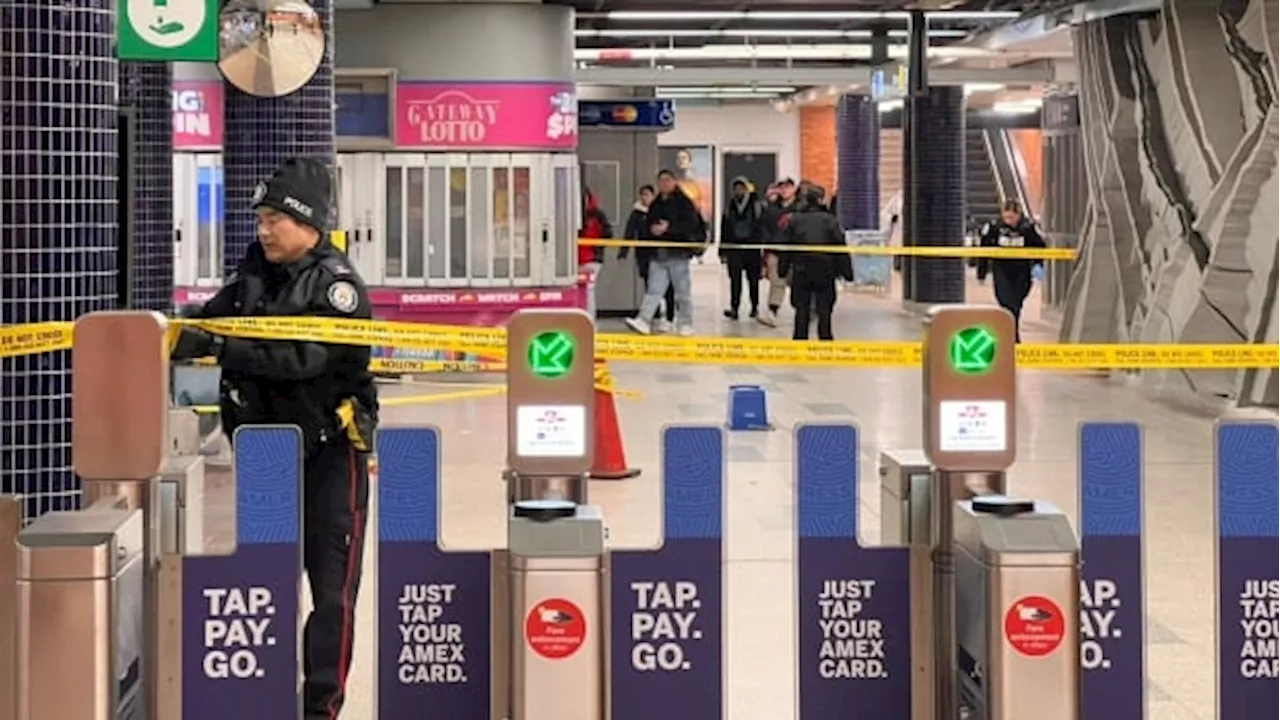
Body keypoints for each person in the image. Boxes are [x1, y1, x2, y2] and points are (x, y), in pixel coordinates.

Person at [169, 157, 378, 720]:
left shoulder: (338, 287)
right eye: (259, 218)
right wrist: (176, 332)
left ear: (308, 222)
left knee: (332, 594)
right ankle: (261, 695)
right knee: (265, 583)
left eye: (274, 218)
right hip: (266, 456)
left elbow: (305, 361)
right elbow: (212, 321)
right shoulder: (252, 276)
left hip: (332, 453)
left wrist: (222, 348)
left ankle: (320, 710)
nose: (263, 229)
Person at [625, 169, 703, 336]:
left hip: (678, 253)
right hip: (658, 254)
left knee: (682, 291)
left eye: (667, 180)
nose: (664, 183)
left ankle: (686, 323)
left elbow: (691, 225)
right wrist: (653, 229)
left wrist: (668, 228)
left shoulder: (684, 203)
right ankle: (644, 320)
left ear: (674, 182)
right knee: (654, 290)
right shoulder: (656, 204)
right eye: (660, 181)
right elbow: (649, 224)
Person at [777, 183, 852, 341]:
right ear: (820, 200)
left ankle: (800, 341)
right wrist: (847, 272)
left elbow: (786, 247)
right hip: (825, 270)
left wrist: (782, 269)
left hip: (801, 269)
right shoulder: (830, 220)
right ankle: (825, 340)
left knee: (801, 308)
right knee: (825, 309)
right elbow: (840, 246)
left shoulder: (795, 220)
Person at [976, 200, 1046, 342]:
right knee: (1006, 303)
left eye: (1012, 218)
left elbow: (1040, 246)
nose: (1009, 221)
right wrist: (981, 272)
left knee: (1016, 305)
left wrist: (1038, 265)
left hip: (1022, 272)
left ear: (1018, 215)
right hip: (1002, 271)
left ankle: (1011, 334)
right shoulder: (994, 227)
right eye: (1006, 217)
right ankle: (1011, 337)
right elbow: (983, 249)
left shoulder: (1028, 228)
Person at [618, 184, 676, 331]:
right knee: (650, 286)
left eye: (648, 194)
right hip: (644, 255)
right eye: (642, 195)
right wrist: (623, 252)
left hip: (661, 254)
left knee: (667, 286)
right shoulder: (636, 213)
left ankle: (669, 316)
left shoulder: (660, 211)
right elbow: (629, 233)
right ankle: (652, 315)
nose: (645, 198)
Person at [719, 176, 765, 320]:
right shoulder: (730, 206)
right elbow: (724, 228)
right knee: (735, 281)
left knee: (753, 280)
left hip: (752, 249)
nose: (738, 190)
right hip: (734, 249)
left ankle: (754, 307)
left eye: (741, 187)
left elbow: (761, 226)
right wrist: (723, 250)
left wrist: (761, 246)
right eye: (736, 188)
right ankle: (734, 308)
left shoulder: (756, 205)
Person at [758, 177, 798, 327]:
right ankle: (772, 311)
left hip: (796, 252)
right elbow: (763, 227)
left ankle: (803, 310)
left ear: (794, 188)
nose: (785, 190)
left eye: (788, 186)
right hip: (776, 251)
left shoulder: (800, 208)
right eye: (782, 187)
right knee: (776, 282)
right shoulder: (771, 209)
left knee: (798, 283)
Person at [578, 187, 613, 318]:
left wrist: (596, 247)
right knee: (583, 291)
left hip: (592, 260)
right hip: (577, 260)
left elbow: (607, 234)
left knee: (588, 290)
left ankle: (589, 320)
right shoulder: (572, 215)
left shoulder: (597, 216)